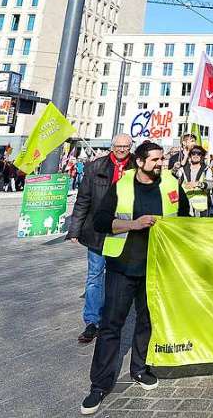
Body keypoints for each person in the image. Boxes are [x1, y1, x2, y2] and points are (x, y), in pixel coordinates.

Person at [81, 141, 190, 415]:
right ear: (140, 162)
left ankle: (140, 369)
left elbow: (187, 220)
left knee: (147, 321)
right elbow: (101, 221)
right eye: (155, 160)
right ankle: (100, 385)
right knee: (111, 326)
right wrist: (133, 224)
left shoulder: (170, 184)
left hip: (156, 267)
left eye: (161, 159)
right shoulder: (123, 185)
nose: (160, 163)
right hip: (123, 266)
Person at [67, 134, 133, 346]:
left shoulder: (136, 167)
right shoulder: (95, 167)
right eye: (118, 146)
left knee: (119, 277)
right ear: (112, 146)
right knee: (95, 274)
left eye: (126, 146)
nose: (122, 149)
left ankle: (113, 318)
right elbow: (83, 199)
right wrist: (74, 230)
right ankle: (92, 321)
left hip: (124, 231)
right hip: (97, 229)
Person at [174, 145, 212, 217]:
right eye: (193, 153)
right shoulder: (183, 169)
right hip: (185, 204)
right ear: (190, 156)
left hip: (201, 206)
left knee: (200, 227)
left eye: (199, 153)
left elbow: (210, 184)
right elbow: (174, 176)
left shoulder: (206, 169)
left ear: (202, 156)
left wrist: (198, 184)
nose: (196, 155)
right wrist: (175, 168)